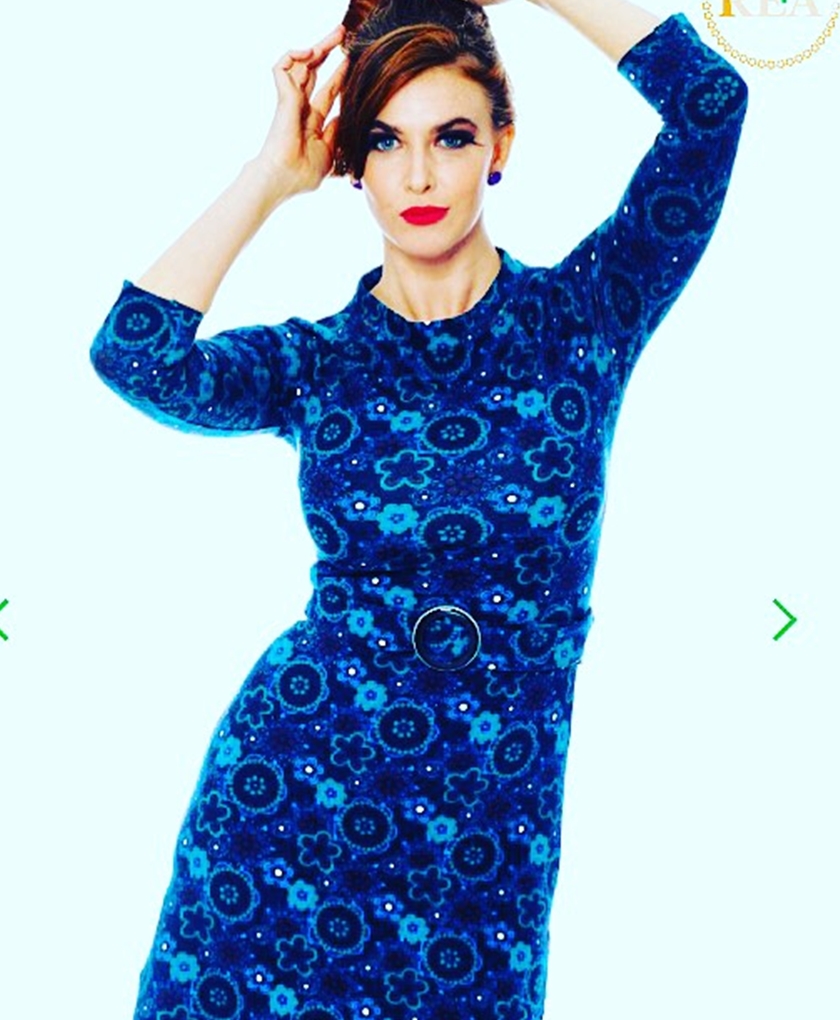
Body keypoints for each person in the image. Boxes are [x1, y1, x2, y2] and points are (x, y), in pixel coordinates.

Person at [90, 1, 748, 1017]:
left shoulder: (583, 320)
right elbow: (135, 356)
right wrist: (269, 176)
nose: (420, 176)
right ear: (353, 163)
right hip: (290, 810)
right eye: (386, 142)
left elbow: (710, 105)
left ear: (501, 146)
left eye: (451, 137)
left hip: (484, 844)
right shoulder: (318, 363)